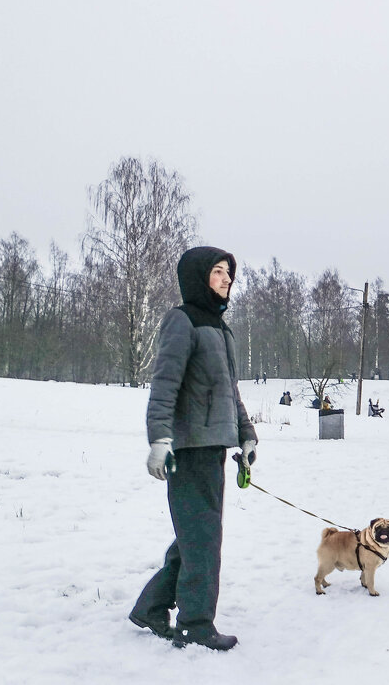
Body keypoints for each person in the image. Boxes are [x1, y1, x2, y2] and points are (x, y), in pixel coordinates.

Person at [130, 246, 257, 651]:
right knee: (202, 538)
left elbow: (229, 391)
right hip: (188, 448)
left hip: (213, 447)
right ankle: (195, 624)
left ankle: (152, 607)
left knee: (195, 535)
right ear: (197, 277)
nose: (226, 279)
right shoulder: (181, 321)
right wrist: (160, 439)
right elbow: (165, 384)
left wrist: (247, 434)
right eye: (218, 272)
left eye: (229, 273)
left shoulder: (221, 329)